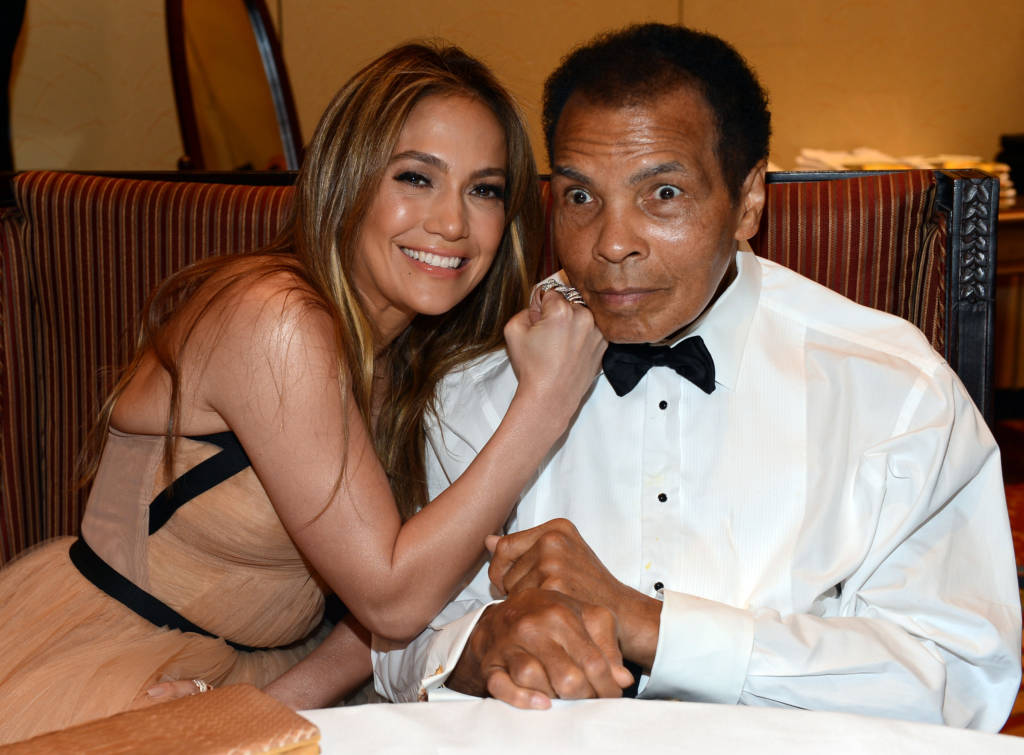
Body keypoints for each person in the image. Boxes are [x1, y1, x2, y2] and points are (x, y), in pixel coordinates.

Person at [373, 24, 1022, 731]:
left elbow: (959, 677)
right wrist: (477, 648)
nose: (611, 244)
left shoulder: (892, 391)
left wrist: (651, 626)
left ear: (749, 200)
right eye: (581, 197)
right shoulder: (480, 385)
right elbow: (395, 647)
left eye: (663, 193)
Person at [0, 43, 605, 744]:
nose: (452, 224)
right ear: (348, 180)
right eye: (416, 177)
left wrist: (248, 711)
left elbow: (390, 610)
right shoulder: (275, 319)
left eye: (485, 190)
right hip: (111, 662)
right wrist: (544, 404)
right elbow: (394, 599)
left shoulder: (415, 355)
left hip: (268, 676)